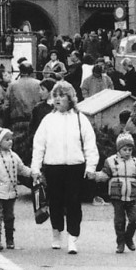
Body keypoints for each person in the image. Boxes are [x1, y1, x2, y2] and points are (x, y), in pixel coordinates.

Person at [31, 81, 99, 254]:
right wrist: (35, 168)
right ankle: (56, 233)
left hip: (75, 167)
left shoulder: (80, 119)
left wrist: (90, 166)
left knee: (74, 202)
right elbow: (39, 145)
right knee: (55, 202)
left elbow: (90, 144)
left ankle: (72, 237)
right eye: (55, 96)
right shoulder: (48, 120)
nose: (58, 99)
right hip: (53, 166)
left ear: (70, 99)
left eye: (62, 96)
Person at [96, 132, 136, 254]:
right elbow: (105, 175)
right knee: (119, 221)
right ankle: (120, 242)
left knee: (135, 219)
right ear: (119, 149)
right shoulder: (111, 161)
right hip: (117, 196)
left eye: (130, 149)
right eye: (125, 149)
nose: (128, 152)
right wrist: (95, 176)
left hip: (132, 196)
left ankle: (128, 237)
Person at [0, 127, 31, 251]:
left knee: (10, 217)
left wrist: (32, 173)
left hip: (10, 193)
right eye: (6, 139)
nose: (10, 142)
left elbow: (21, 168)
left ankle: (10, 239)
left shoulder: (13, 156)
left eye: (11, 139)